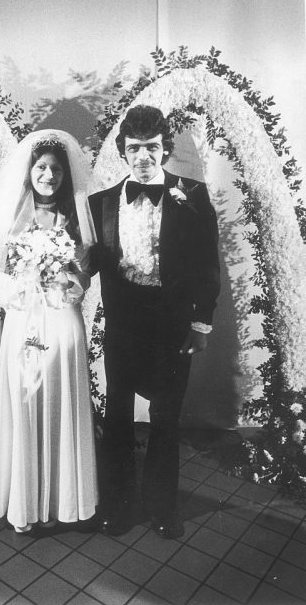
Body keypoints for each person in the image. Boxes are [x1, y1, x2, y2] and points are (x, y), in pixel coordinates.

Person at [89, 105, 220, 539]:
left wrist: (200, 325)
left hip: (171, 324)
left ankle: (163, 508)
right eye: (134, 149)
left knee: (166, 418)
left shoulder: (192, 194)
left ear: (164, 151)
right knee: (119, 416)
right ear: (122, 152)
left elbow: (206, 265)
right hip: (124, 324)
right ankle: (118, 507)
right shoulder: (101, 202)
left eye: (151, 148)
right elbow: (89, 262)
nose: (142, 156)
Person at [0, 129, 98, 533]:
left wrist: (71, 282)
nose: (49, 175)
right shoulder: (10, 215)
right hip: (25, 316)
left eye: (56, 169)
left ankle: (63, 502)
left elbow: (87, 273)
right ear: (30, 170)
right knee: (25, 398)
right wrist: (20, 289)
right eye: (42, 167)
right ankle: (25, 503)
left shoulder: (77, 216)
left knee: (62, 399)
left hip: (62, 320)